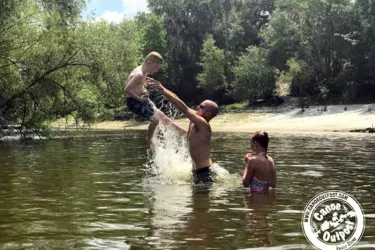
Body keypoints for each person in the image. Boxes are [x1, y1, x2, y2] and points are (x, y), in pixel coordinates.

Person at [151, 81, 219, 184]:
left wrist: (162, 90)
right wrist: (162, 87)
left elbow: (184, 108)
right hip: (197, 172)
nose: (197, 107)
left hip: (204, 172)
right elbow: (179, 101)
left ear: (208, 113)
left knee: (199, 198)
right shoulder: (197, 120)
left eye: (201, 106)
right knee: (197, 200)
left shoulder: (203, 124)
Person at [124, 51, 166, 144]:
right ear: (149, 63)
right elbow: (127, 90)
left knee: (161, 116)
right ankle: (149, 138)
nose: (156, 71)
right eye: (156, 67)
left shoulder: (144, 72)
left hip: (141, 99)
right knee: (155, 119)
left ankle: (162, 136)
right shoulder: (139, 74)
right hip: (134, 102)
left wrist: (144, 89)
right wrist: (140, 99)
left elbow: (138, 85)